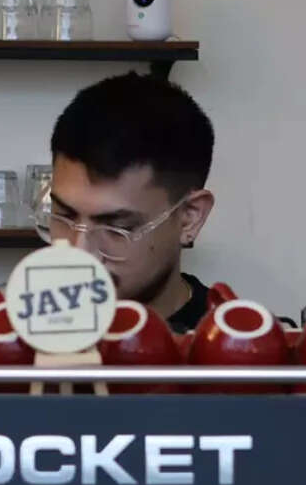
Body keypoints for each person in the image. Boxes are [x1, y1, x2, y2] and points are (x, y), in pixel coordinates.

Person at [42, 72, 220, 332]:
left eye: (117, 227)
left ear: (189, 218)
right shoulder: (12, 340)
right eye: (64, 216)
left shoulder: (252, 353)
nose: (80, 253)